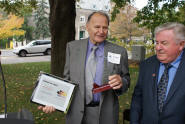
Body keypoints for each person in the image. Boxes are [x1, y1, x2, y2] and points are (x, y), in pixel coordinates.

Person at [38, 11, 130, 124]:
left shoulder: (119, 51)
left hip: (106, 114)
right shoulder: (72, 48)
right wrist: (52, 100)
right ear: (87, 27)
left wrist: (122, 82)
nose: (101, 31)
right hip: (77, 114)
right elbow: (67, 81)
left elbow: (126, 79)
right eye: (97, 27)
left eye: (105, 28)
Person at [130, 22, 185, 124]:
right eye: (157, 42)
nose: (158, 48)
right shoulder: (147, 65)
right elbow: (137, 99)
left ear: (181, 45)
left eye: (164, 43)